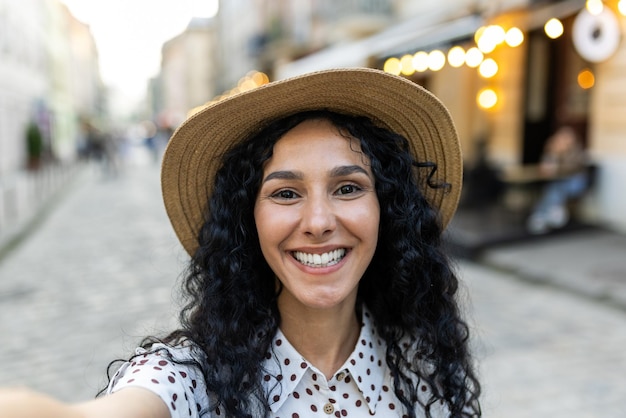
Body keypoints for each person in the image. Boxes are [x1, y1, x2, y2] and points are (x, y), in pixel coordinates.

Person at [0, 68, 481, 417]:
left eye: (348, 187)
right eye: (286, 193)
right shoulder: (193, 381)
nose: (317, 221)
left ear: (387, 209)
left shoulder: (419, 359)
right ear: (247, 219)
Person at [526, 126, 589, 234]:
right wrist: (554, 153)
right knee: (552, 189)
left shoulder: (576, 151)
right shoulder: (553, 150)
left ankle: (541, 215)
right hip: (561, 182)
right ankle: (549, 213)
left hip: (576, 182)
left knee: (555, 189)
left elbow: (572, 168)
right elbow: (546, 166)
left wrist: (561, 156)